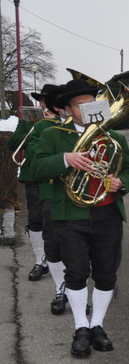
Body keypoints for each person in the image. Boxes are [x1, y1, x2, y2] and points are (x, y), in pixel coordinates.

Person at [32, 78, 129, 358]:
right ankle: (80, 327)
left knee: (106, 273)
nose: (88, 109)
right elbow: (36, 168)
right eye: (80, 105)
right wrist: (65, 159)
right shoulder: (53, 135)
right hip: (70, 213)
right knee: (77, 272)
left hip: (107, 213)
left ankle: (96, 325)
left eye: (92, 103)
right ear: (67, 109)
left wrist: (122, 183)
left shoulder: (114, 138)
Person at [22, 84, 73, 315]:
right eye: (64, 103)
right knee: (53, 243)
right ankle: (61, 288)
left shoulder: (90, 128)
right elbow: (33, 156)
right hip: (54, 192)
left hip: (84, 196)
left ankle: (83, 289)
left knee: (83, 245)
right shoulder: (44, 126)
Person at [9, 84, 58, 282]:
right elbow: (13, 142)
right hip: (33, 175)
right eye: (42, 100)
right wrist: (35, 132)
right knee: (36, 219)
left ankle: (59, 259)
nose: (44, 104)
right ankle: (40, 260)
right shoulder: (27, 120)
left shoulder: (64, 120)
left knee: (55, 220)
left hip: (56, 176)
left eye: (48, 100)